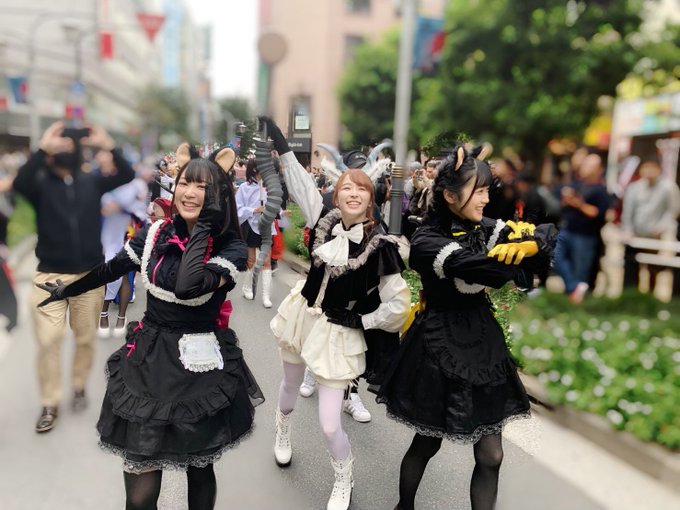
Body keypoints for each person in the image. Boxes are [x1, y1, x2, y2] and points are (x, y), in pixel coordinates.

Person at [36, 143, 263, 510]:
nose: (190, 192)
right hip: (149, 362)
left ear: (219, 196)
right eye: (185, 183)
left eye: (202, 187)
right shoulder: (155, 234)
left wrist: (204, 225)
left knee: (199, 468)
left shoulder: (230, 248)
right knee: (139, 496)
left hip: (198, 369)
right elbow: (112, 268)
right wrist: (67, 289)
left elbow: (188, 286)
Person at [376, 145, 556, 510]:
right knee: (427, 442)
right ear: (449, 194)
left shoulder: (484, 228)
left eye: (489, 190)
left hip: (482, 338)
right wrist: (522, 253)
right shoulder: (427, 242)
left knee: (492, 455)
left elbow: (549, 231)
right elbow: (488, 271)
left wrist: (532, 243)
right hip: (438, 345)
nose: (488, 199)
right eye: (480, 191)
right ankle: (404, 507)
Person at [261, 117, 410, 510]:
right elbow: (299, 183)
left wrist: (363, 321)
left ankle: (344, 477)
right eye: (347, 187)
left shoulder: (381, 246)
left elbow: (399, 304)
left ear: (371, 197)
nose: (353, 193)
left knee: (330, 424)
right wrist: (280, 142)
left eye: (361, 188)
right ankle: (282, 429)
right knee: (290, 387)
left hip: (339, 330)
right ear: (336, 195)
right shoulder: (322, 221)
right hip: (303, 314)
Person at [13, 121, 135, 432]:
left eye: (70, 142)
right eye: (60, 142)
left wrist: (107, 142)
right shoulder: (40, 184)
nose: (66, 146)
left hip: (89, 276)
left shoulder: (92, 182)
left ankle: (79, 385)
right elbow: (20, 182)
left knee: (84, 338)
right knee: (48, 340)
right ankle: (50, 402)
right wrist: (43, 145)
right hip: (49, 276)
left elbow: (127, 174)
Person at [98, 155, 149, 339]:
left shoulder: (134, 186)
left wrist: (122, 208)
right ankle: (103, 314)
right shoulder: (99, 182)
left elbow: (141, 212)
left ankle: (121, 317)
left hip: (127, 235)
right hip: (103, 237)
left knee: (125, 275)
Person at [553, 153, 610, 304]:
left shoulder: (601, 190)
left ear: (599, 169)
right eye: (585, 164)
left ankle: (576, 303)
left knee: (580, 271)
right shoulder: (576, 185)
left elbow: (598, 213)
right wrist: (567, 200)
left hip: (585, 235)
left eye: (590, 165)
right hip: (567, 229)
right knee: (553, 254)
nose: (585, 168)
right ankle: (573, 288)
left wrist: (578, 204)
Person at [620, 157, 680, 293]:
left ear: (659, 169)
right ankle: (631, 294)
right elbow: (627, 211)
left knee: (654, 267)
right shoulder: (634, 187)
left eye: (652, 168)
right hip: (635, 235)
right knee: (632, 266)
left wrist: (661, 227)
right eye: (646, 168)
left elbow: (673, 210)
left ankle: (650, 295)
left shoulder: (668, 187)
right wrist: (627, 230)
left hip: (655, 236)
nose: (649, 171)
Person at [235, 159, 277, 308]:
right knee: (251, 260)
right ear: (255, 169)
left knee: (266, 261)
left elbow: (275, 205)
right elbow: (237, 208)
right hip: (251, 227)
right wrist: (253, 210)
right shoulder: (244, 188)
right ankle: (247, 287)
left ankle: (266, 296)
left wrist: (281, 213)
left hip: (266, 227)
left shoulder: (269, 187)